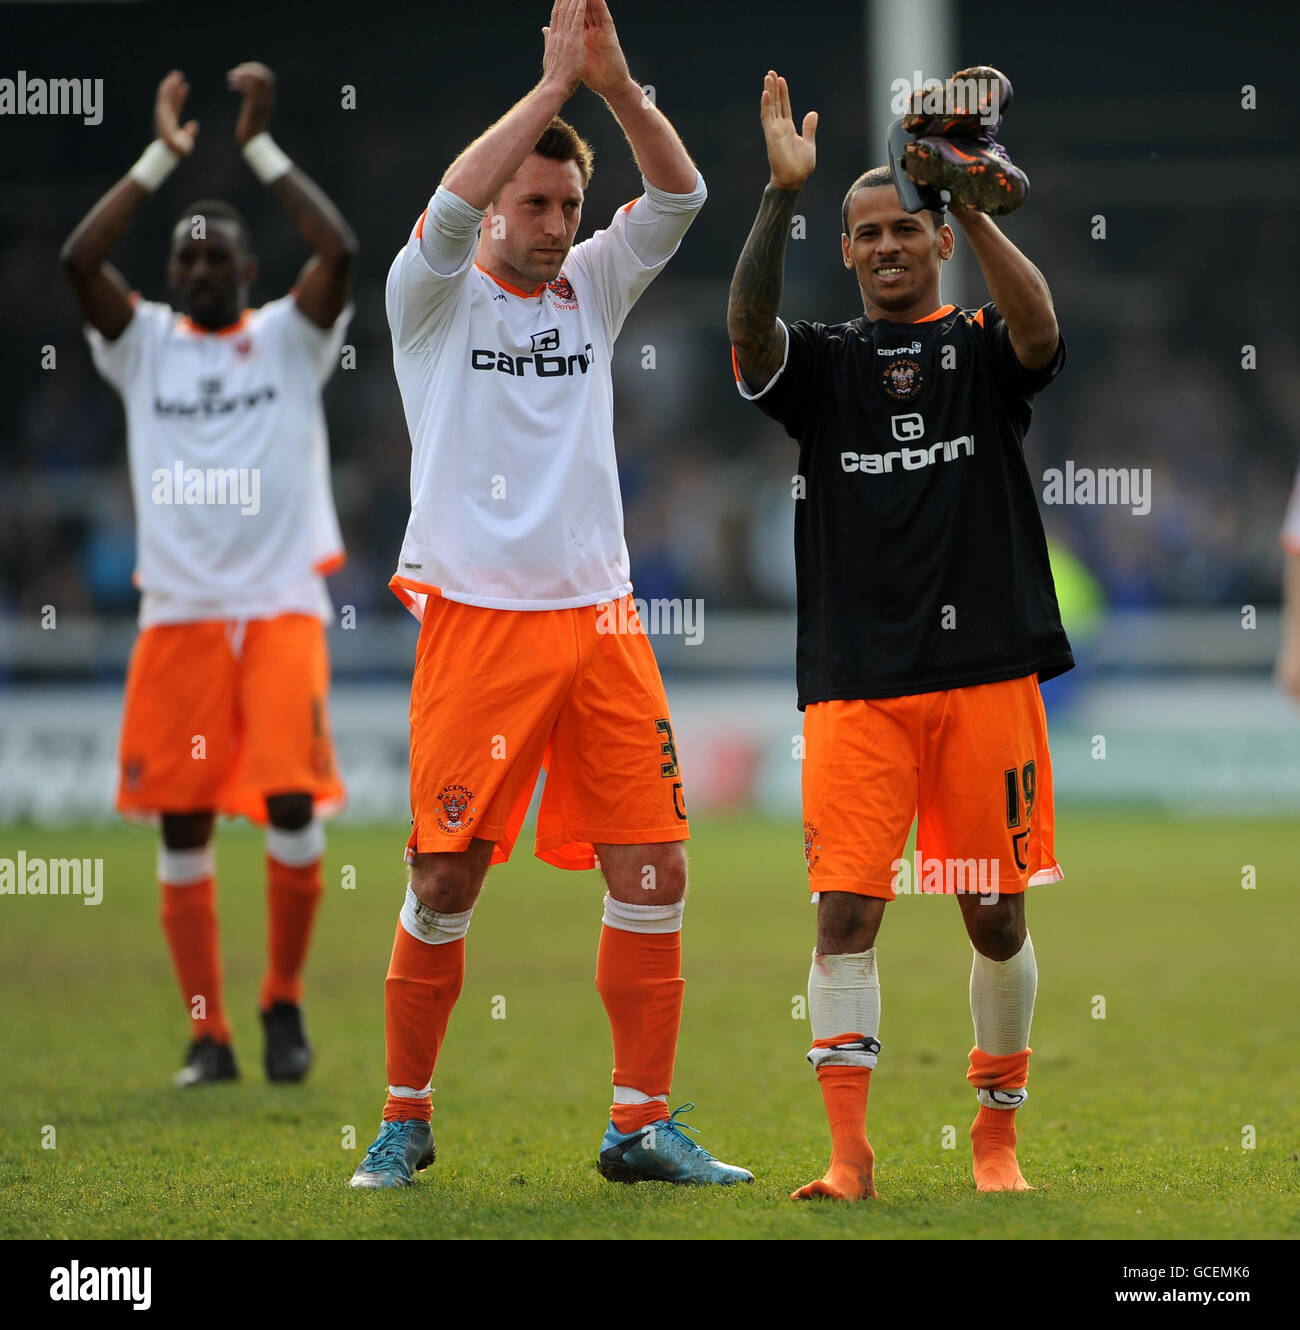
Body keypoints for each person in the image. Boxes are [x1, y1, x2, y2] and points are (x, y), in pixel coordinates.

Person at [351, 0, 750, 1189]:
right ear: (490, 211)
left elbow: (678, 201)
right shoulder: (430, 299)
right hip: (478, 619)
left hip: (605, 619)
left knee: (655, 868)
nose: (555, 225)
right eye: (534, 204)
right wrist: (548, 91)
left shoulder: (592, 289)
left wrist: (616, 91)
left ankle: (638, 1123)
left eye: (568, 207)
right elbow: (443, 207)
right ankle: (405, 1115)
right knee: (444, 876)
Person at [727, 70, 1074, 1200]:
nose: (884, 247)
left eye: (903, 231)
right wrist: (780, 199)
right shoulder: (822, 367)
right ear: (844, 251)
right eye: (864, 234)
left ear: (933, 244)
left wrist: (966, 196)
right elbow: (746, 335)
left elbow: (1042, 330)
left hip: (982, 677)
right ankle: (848, 1152)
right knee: (843, 912)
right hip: (855, 683)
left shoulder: (977, 346)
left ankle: (995, 1140)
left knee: (994, 911)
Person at [62, 63, 356, 1087]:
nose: (196, 264)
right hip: (179, 614)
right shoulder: (142, 345)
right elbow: (79, 257)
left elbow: (342, 249)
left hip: (278, 609)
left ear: (244, 267)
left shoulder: (290, 337)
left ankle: (281, 1003)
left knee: (288, 803)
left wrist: (262, 144)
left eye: (215, 252)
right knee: (181, 823)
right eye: (184, 253)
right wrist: (162, 157)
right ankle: (209, 1031)